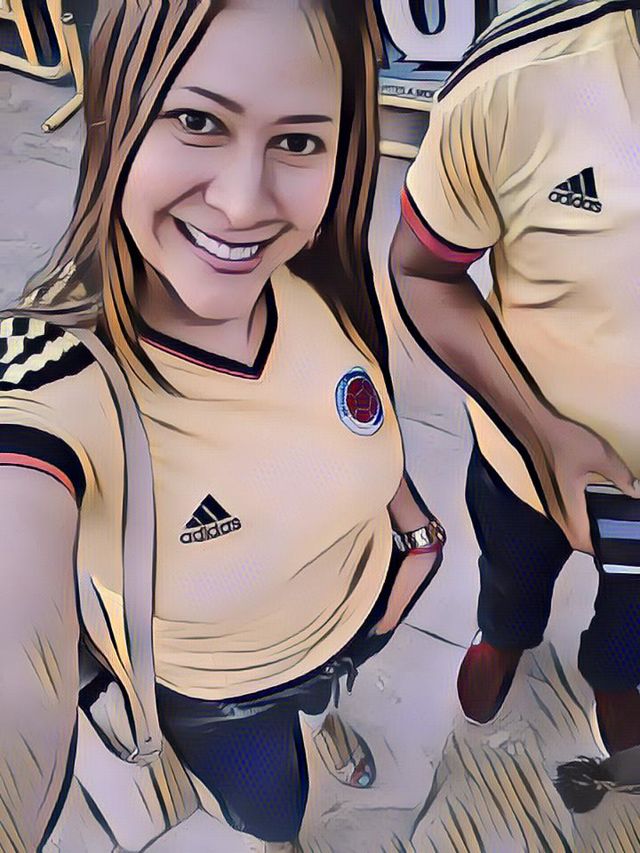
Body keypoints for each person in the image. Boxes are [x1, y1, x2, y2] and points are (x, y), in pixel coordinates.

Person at [0, 1, 446, 850]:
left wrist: (415, 535)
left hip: (363, 616)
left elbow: (361, 415)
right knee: (275, 811)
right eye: (199, 121)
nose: (243, 205)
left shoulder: (316, 282)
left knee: (324, 703)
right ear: (116, 114)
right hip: (224, 699)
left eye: (299, 140)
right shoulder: (54, 377)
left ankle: (324, 718)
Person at [390, 0, 640, 755]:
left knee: (633, 623)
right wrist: (542, 435)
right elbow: (422, 270)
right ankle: (503, 636)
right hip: (522, 463)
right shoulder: (513, 79)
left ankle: (618, 677)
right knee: (509, 575)